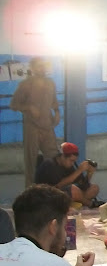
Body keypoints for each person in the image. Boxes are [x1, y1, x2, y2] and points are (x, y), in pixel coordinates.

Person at [9, 57, 61, 187]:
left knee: (54, 158)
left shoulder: (50, 83)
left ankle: (53, 190)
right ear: (32, 68)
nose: (42, 68)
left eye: (43, 66)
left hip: (47, 126)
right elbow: (14, 105)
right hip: (32, 127)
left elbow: (54, 101)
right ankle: (30, 191)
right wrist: (29, 107)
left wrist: (57, 112)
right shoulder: (25, 84)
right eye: (38, 66)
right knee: (31, 160)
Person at [34, 142, 102, 208]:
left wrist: (89, 173)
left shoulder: (68, 166)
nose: (72, 163)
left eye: (74, 161)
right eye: (71, 160)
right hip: (47, 197)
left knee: (94, 188)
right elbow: (58, 186)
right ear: (63, 156)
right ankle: (89, 204)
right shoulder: (50, 164)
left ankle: (77, 202)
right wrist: (79, 170)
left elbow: (83, 186)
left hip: (63, 195)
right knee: (73, 189)